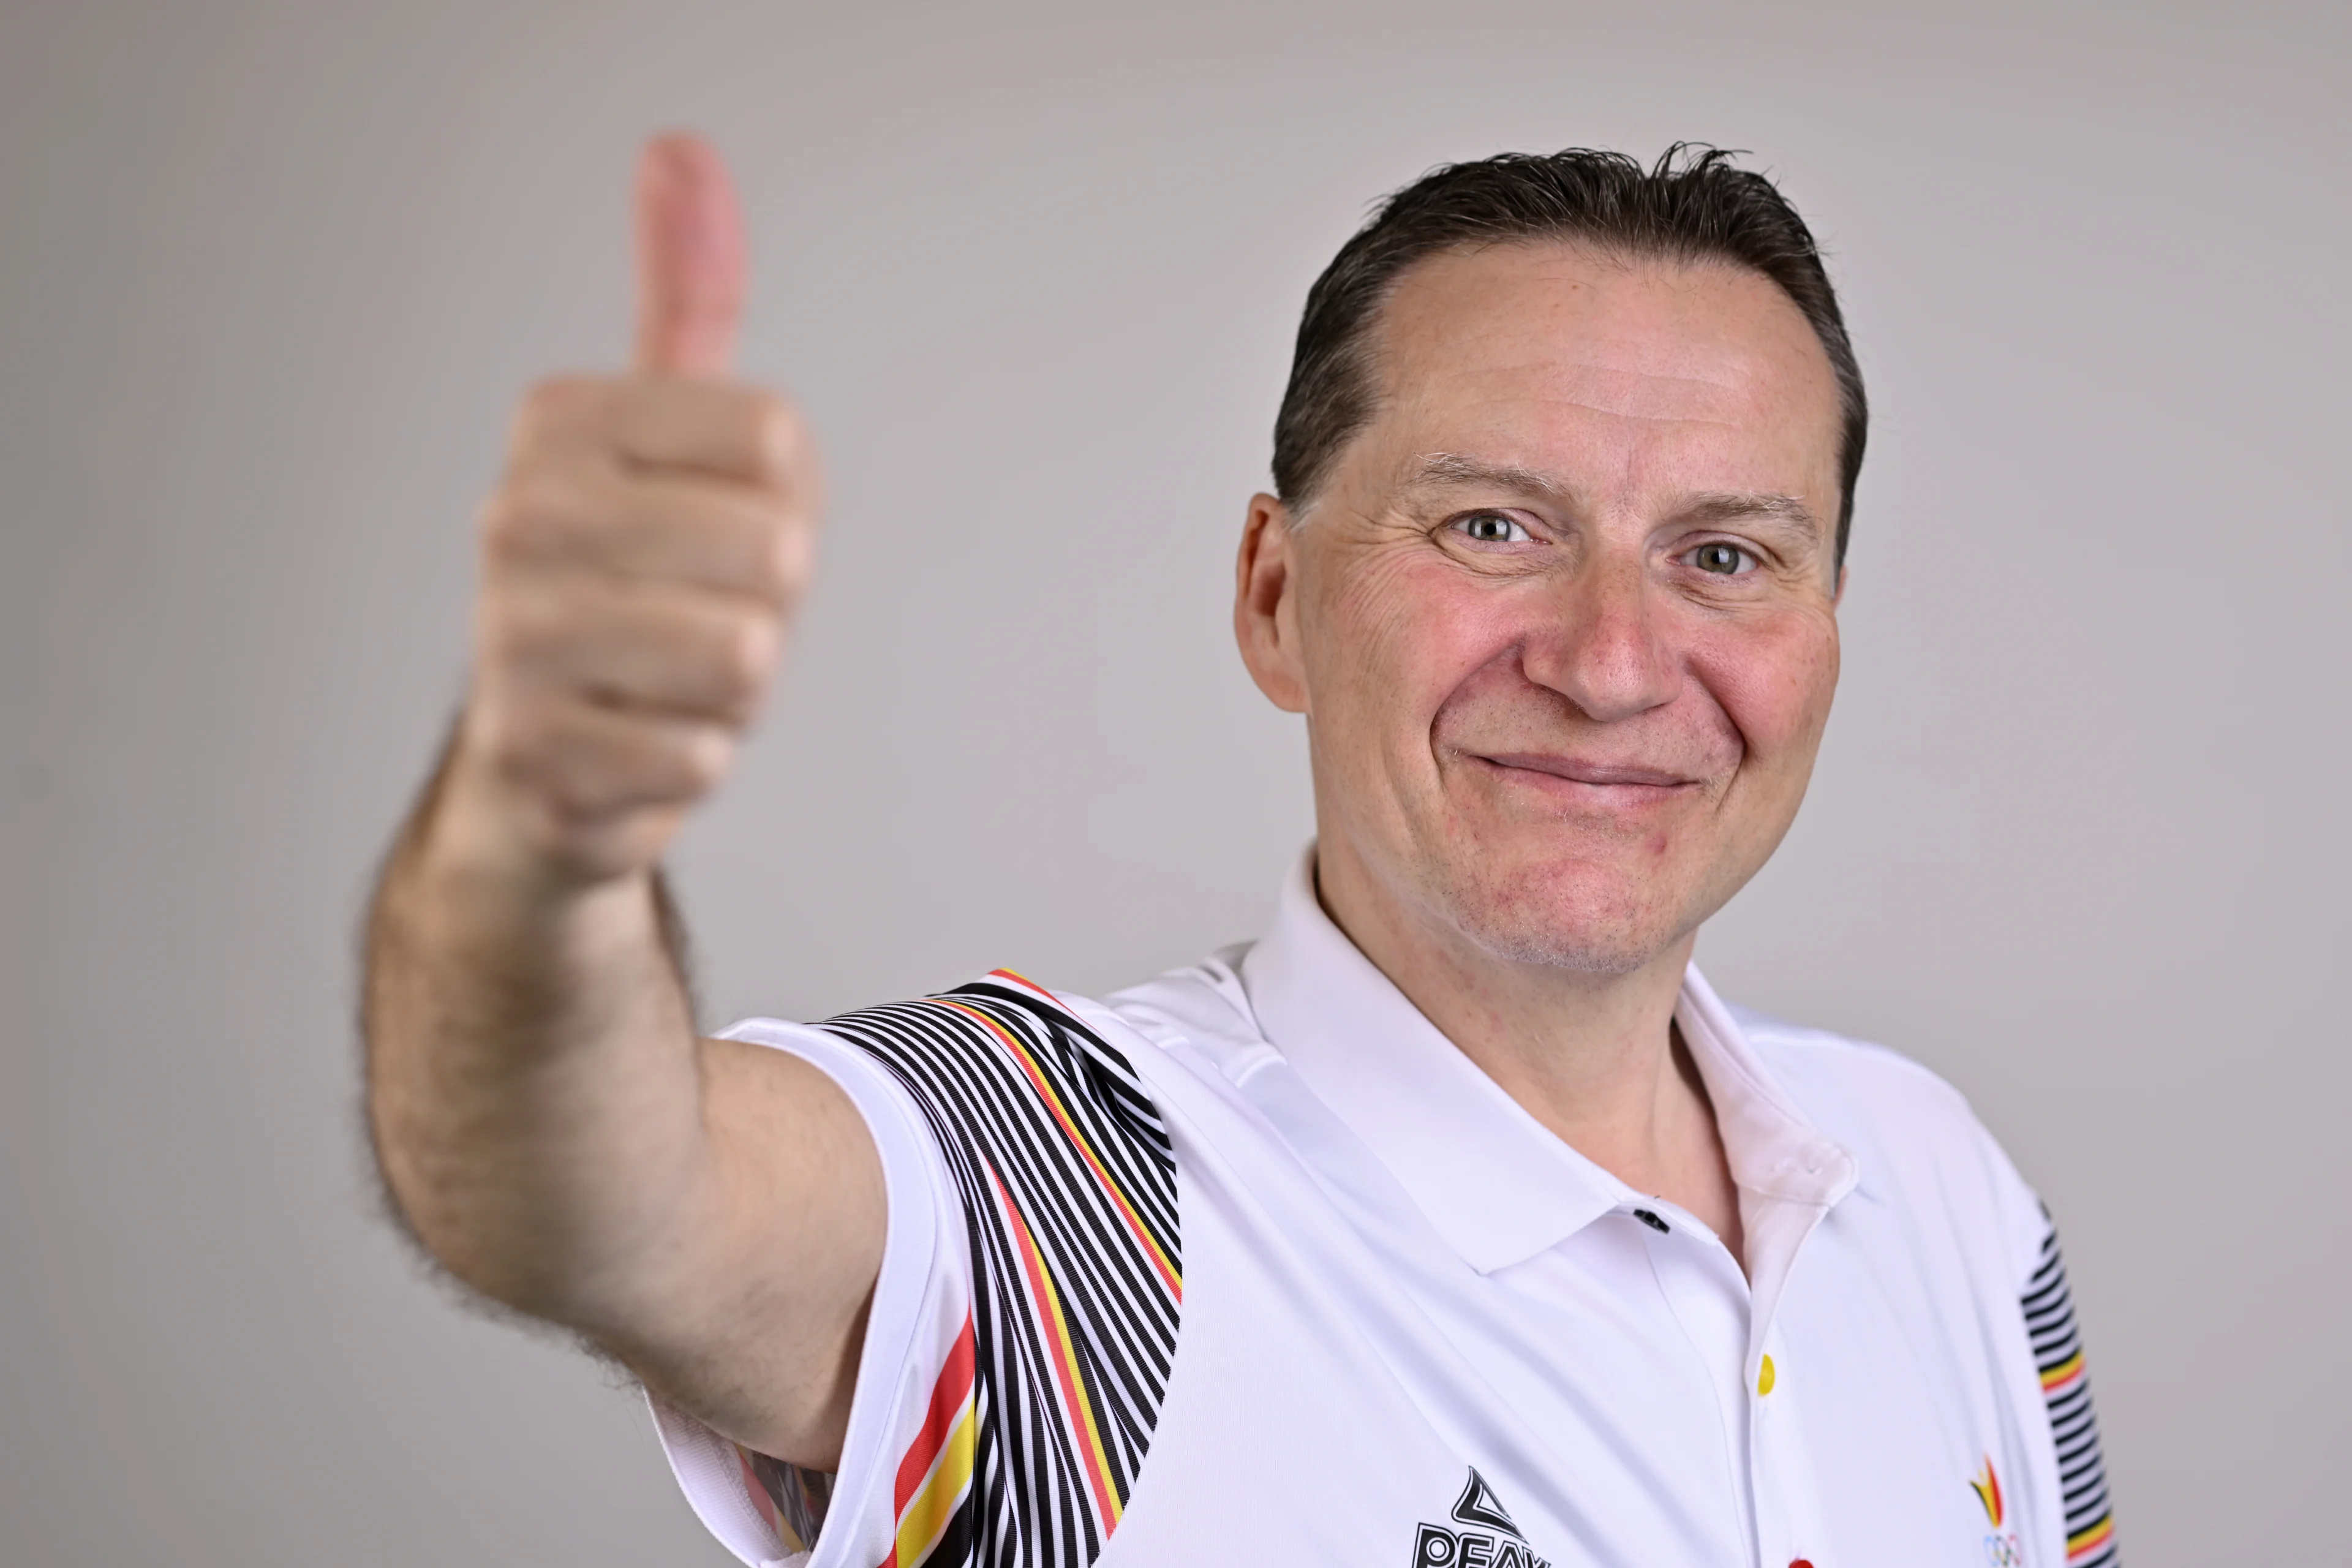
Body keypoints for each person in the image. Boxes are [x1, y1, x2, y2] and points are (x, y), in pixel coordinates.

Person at [363, 134, 2117, 1568]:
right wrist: (539, 851)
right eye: (1493, 526)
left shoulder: (1943, 1188)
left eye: (1727, 556)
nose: (1610, 661)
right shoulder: (1072, 1189)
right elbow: (595, 1201)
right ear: (1275, 598)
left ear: (1825, 630)